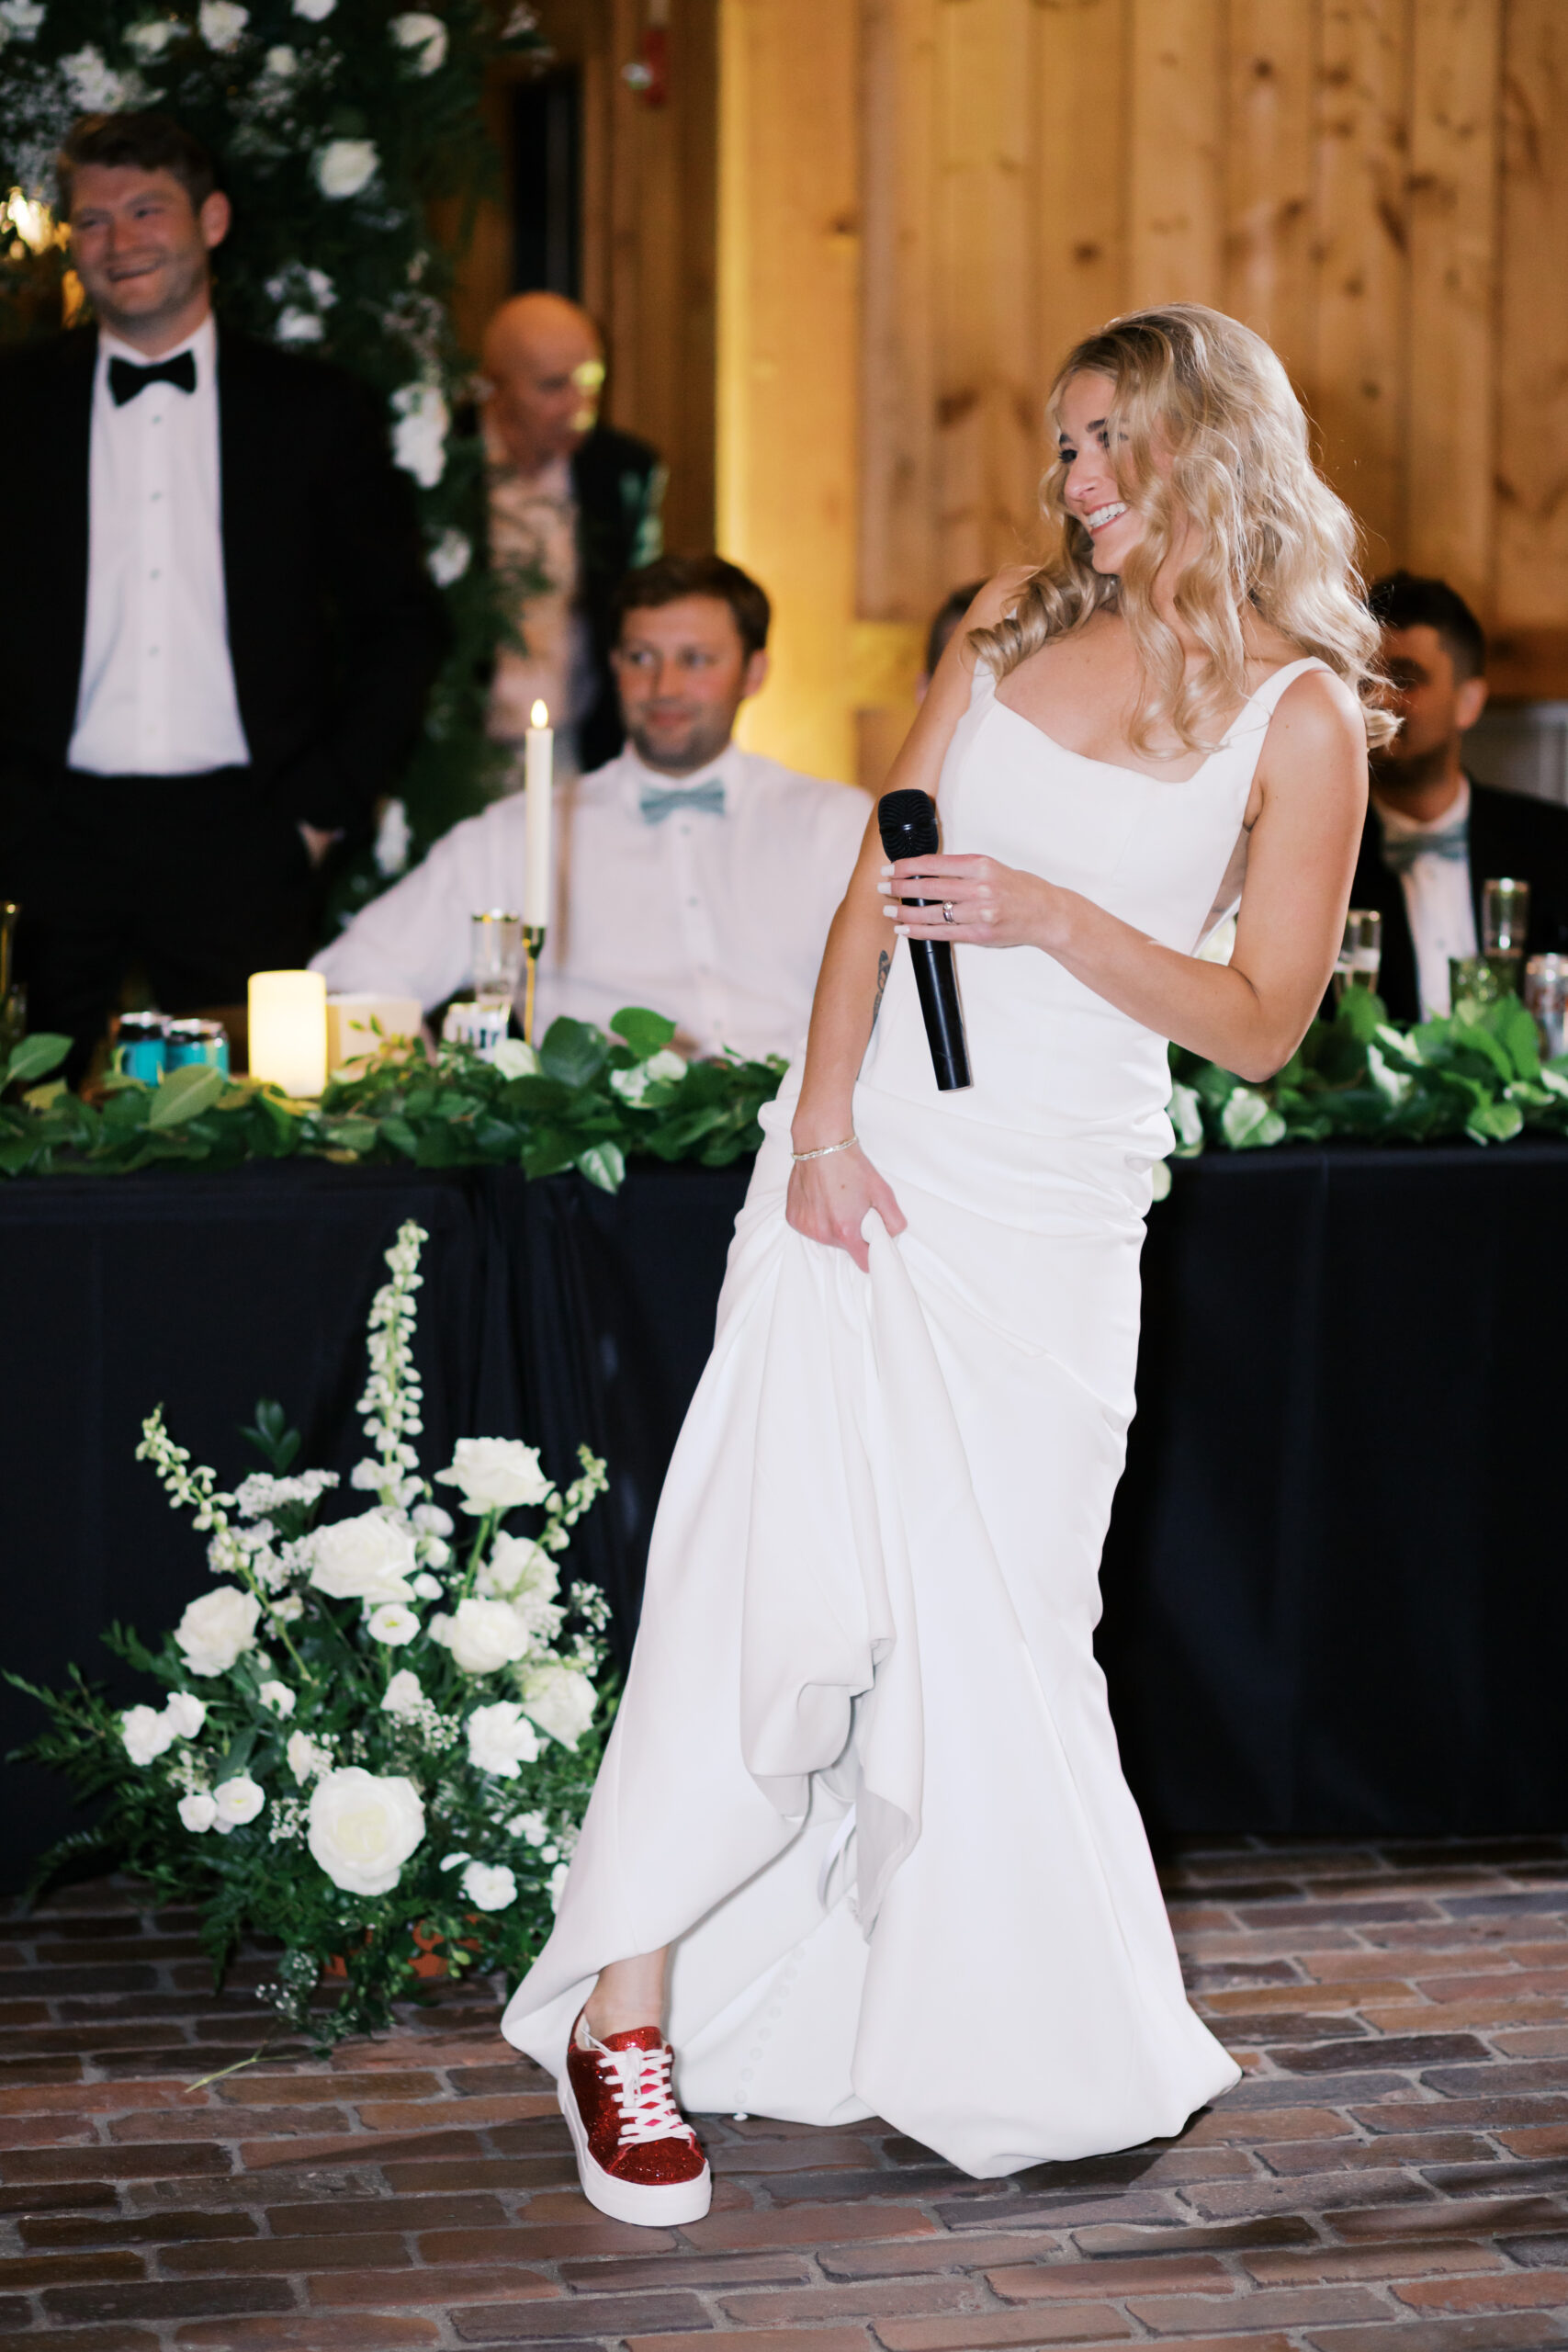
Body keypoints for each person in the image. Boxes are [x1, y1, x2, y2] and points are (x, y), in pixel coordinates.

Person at [499, 304, 1383, 2219]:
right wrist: (815, 1127)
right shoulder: (1004, 620)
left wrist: (1059, 916)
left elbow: (1256, 1023)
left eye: (1103, 447)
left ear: (1203, 446)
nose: (1070, 487)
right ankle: (621, 2006)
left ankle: (955, 2006)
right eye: (1061, 448)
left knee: (999, 1612)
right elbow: (870, 889)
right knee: (764, 1557)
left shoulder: (1295, 713)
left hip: (1054, 1200)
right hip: (870, 1157)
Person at [0, 111, 445, 1079]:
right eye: (92, 220)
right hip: (41, 833)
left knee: (256, 1134)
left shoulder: (314, 410)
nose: (118, 242)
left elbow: (398, 624)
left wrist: (318, 810)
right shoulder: (14, 408)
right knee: (21, 1136)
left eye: (145, 210)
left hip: (246, 833)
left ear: (211, 219)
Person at [312, 555, 871, 1059]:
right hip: (599, 1160)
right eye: (641, 657)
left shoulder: (835, 825)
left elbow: (910, 1001)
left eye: (696, 660)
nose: (664, 686)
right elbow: (353, 975)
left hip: (801, 1150)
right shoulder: (521, 833)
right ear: (613, 665)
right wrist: (429, 1080)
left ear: (754, 673)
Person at [1345, 572, 1568, 1022]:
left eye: (1407, 680)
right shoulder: (1322, 854)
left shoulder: (1554, 843)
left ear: (1469, 702)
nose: (1381, 698)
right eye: (1368, 678)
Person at [480, 292, 664, 781]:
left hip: (577, 742)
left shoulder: (622, 468)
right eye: (551, 386)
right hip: (463, 744)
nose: (579, 407)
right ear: (495, 385)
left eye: (590, 383)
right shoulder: (439, 465)